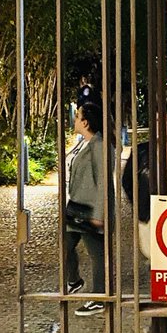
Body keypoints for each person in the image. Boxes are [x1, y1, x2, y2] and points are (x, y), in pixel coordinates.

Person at [122, 106, 167, 333]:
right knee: (161, 285)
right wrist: (142, 208)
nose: (162, 124)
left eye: (166, 118)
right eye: (156, 119)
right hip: (155, 224)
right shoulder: (142, 152)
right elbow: (127, 182)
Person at [64, 101, 110, 316]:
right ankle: (74, 280)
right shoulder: (84, 143)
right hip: (77, 207)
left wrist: (99, 213)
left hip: (91, 209)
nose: (74, 121)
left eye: (77, 117)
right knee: (66, 245)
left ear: (85, 121)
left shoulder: (99, 145)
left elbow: (103, 181)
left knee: (97, 253)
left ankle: (100, 297)